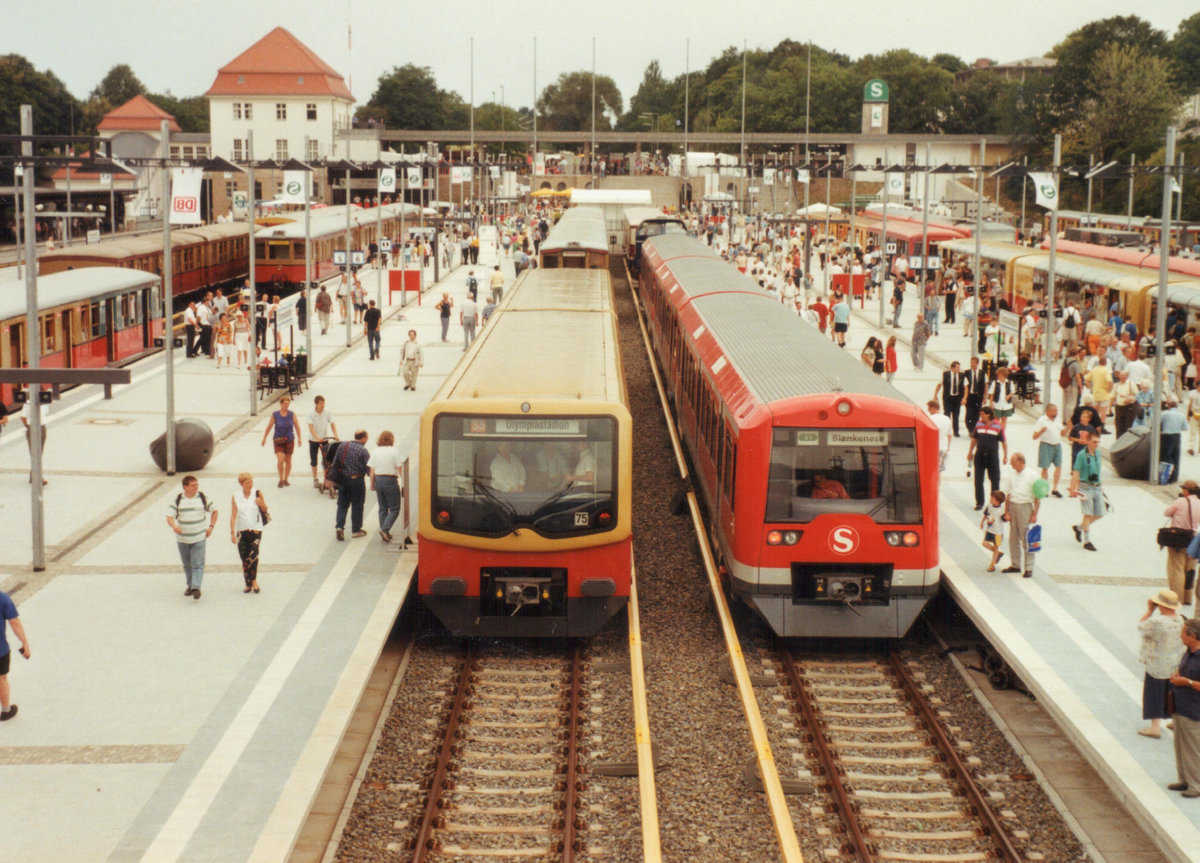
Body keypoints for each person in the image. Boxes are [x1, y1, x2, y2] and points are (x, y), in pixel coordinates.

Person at [1139, 590, 1184, 739]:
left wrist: (1149, 611)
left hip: (1157, 665)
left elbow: (1141, 627)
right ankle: (1176, 722)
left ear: (1160, 605)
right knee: (1174, 695)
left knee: (1154, 694)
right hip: (1175, 665)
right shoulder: (1181, 620)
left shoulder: (1156, 622)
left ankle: (1155, 728)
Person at [166, 475, 218, 600]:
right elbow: (169, 516)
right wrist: (174, 526)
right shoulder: (178, 499)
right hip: (182, 539)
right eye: (193, 485)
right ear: (185, 487)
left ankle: (196, 587)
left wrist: (211, 527)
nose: (196, 487)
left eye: (197, 484)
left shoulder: (202, 498)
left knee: (197, 564)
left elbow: (215, 511)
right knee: (187, 565)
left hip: (199, 537)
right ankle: (190, 585)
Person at [1167, 617, 1200, 797]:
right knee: (1179, 745)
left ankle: (1195, 785)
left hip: (1193, 710)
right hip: (1180, 706)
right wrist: (1178, 675)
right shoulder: (1188, 652)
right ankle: (1184, 780)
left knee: (1192, 749)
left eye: (1183, 633)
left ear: (1193, 635)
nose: (1180, 636)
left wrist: (1186, 682)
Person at [230, 472, 268, 594]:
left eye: (251, 481)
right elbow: (234, 515)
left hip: (256, 528)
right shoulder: (236, 496)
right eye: (247, 482)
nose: (250, 484)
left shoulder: (257, 493)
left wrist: (261, 503)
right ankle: (248, 582)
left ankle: (254, 581)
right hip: (242, 529)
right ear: (241, 484)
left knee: (254, 554)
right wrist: (232, 532)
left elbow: (265, 509)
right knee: (244, 557)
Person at [1002, 452, 1039, 578]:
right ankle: (1015, 564)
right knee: (1013, 538)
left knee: (1026, 538)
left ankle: (1029, 567)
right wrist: (1006, 511)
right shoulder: (1012, 475)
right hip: (1013, 505)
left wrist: (1035, 514)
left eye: (1013, 461)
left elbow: (1037, 496)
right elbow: (1007, 494)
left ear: (1021, 462)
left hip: (1025, 506)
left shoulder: (1032, 475)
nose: (1011, 464)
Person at [1164, 481, 1200, 605]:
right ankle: (1188, 597)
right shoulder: (1199, 503)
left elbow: (1167, 513)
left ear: (1186, 490)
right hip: (1193, 537)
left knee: (1177, 568)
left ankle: (1176, 598)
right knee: (1190, 569)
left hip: (1178, 537)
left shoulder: (1180, 501)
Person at [1069, 430, 1104, 551]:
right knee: (1087, 514)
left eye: (1098, 442)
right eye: (1094, 442)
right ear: (1088, 441)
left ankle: (1079, 528)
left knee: (1100, 513)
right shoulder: (1081, 455)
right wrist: (1073, 489)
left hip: (1097, 486)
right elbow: (1076, 472)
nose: (1096, 444)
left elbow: (1097, 471)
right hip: (1086, 487)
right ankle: (1087, 541)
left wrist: (1101, 487)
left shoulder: (1098, 453)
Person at [967, 406, 1007, 510]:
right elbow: (974, 439)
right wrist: (970, 452)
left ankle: (995, 502)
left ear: (988, 414)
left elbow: (1003, 442)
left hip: (992, 457)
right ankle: (979, 502)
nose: (980, 416)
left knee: (995, 480)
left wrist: (1005, 455)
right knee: (978, 480)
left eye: (982, 414)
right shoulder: (979, 424)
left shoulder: (998, 426)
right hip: (979, 455)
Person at [333, 430, 371, 540]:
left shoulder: (343, 445)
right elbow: (368, 469)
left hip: (344, 479)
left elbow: (336, 462)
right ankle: (356, 530)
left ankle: (339, 527)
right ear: (363, 438)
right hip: (357, 480)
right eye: (366, 438)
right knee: (357, 505)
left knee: (342, 504)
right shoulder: (363, 450)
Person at [0, 590, 30, 722]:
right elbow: (14, 622)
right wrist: (24, 642)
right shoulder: (2, 598)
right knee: (1, 678)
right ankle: (6, 710)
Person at [260, 395, 303, 487]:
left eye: (288, 404)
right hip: (278, 439)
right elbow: (269, 426)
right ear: (281, 404)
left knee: (288, 460)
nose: (286, 405)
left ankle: (286, 479)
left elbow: (297, 427)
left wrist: (299, 438)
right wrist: (264, 438)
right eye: (285, 404)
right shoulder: (275, 415)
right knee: (280, 459)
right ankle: (281, 478)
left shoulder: (292, 414)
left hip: (289, 439)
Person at [369, 430, 402, 542]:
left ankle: (385, 532)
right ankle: (384, 529)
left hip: (378, 480)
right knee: (394, 508)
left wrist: (372, 483)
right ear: (391, 439)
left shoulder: (375, 451)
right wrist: (403, 482)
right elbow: (399, 467)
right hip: (390, 480)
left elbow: (372, 470)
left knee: (382, 507)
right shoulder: (394, 451)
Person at [1032, 403, 1064, 498]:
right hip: (1046, 445)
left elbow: (1062, 433)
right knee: (1045, 467)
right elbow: (1034, 437)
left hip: (1057, 445)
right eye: (1054, 410)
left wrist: (1069, 428)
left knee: (1059, 466)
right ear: (1048, 411)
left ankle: (1055, 489)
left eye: (1056, 411)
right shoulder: (1042, 420)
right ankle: (1044, 489)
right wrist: (1041, 431)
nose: (1056, 412)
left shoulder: (1058, 420)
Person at [306, 396, 339, 488]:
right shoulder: (310, 414)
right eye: (321, 404)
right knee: (314, 460)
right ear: (316, 404)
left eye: (323, 403)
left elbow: (332, 423)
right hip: (313, 440)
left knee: (327, 460)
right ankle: (315, 478)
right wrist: (316, 437)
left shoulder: (327, 412)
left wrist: (335, 435)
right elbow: (311, 427)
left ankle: (328, 478)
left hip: (324, 439)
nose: (323, 405)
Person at [20, 397, 48, 485]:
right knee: (35, 453)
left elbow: (45, 414)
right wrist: (29, 427)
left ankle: (33, 476)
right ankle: (38, 477)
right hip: (33, 427)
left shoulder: (44, 402)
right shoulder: (28, 403)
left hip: (42, 427)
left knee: (39, 453)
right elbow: (23, 417)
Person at [935, 361, 966, 437]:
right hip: (948, 398)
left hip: (957, 398)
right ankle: (946, 430)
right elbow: (939, 385)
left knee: (956, 415)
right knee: (947, 414)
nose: (959, 369)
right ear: (952, 368)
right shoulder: (945, 374)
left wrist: (964, 398)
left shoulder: (962, 376)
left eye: (959, 367)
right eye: (957, 367)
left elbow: (966, 388)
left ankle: (956, 431)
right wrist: (935, 395)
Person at [1162, 400, 1188, 484]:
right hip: (1177, 436)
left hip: (1167, 436)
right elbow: (1185, 428)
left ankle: (1165, 477)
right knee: (1176, 457)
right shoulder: (1181, 415)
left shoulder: (1165, 414)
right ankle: (1174, 477)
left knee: (1167, 456)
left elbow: (1157, 422)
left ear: (1169, 406)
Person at [980, 489, 1007, 572]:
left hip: (998, 532)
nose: (990, 499)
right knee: (984, 543)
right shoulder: (989, 506)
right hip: (990, 530)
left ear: (997, 501)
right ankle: (998, 553)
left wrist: (1006, 517)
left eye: (992, 498)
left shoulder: (1002, 510)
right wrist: (982, 522)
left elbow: (1004, 519)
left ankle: (992, 565)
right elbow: (986, 515)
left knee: (996, 547)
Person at [926, 399, 952, 473]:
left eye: (929, 409)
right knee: (939, 471)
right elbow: (949, 435)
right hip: (943, 447)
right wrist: (948, 447)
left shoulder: (930, 419)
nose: (929, 411)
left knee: (931, 470)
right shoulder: (947, 419)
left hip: (933, 448)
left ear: (933, 408)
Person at [964, 356, 987, 435]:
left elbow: (986, 385)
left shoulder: (982, 373)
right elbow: (964, 386)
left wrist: (985, 397)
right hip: (970, 396)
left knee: (977, 414)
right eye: (971, 362)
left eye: (974, 363)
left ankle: (974, 429)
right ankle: (969, 428)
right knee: (969, 413)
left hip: (978, 396)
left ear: (977, 363)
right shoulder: (966, 373)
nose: (972, 364)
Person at [988, 366, 1015, 431]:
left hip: (1006, 405)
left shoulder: (1009, 382)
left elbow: (1013, 391)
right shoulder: (995, 383)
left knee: (1004, 419)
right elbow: (991, 394)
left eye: (998, 374)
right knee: (996, 419)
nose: (997, 376)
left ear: (1003, 375)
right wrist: (991, 403)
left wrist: (1009, 395)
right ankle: (996, 431)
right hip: (997, 404)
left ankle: (1002, 433)